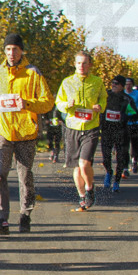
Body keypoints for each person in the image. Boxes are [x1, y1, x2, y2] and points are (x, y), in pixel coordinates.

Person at [0, 32, 54, 235]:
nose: (11, 53)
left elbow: (48, 102)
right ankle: (2, 220)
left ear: (22, 51)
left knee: (25, 175)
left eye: (15, 49)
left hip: (26, 132)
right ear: (4, 51)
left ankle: (25, 214)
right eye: (8, 49)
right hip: (3, 131)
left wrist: (27, 104)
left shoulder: (33, 73)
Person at [55, 51, 106, 211]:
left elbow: (103, 98)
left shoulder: (97, 82)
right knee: (77, 167)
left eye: (84, 63)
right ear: (75, 64)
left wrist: (100, 106)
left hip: (91, 127)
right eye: (78, 63)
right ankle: (82, 196)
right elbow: (59, 102)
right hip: (72, 127)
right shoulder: (67, 82)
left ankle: (90, 189)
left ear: (90, 65)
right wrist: (66, 105)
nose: (81, 66)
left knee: (84, 164)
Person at [99, 75, 138, 194]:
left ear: (122, 86)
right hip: (106, 130)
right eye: (113, 83)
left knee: (121, 157)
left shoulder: (127, 99)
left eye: (117, 83)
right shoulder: (105, 95)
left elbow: (136, 114)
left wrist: (125, 116)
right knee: (106, 156)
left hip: (121, 131)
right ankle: (109, 172)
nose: (114, 85)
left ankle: (116, 181)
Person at [124, 77, 138, 174]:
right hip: (124, 123)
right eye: (126, 84)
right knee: (124, 145)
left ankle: (135, 160)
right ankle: (125, 167)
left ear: (132, 85)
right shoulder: (122, 94)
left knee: (135, 144)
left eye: (130, 84)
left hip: (136, 123)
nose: (128, 86)